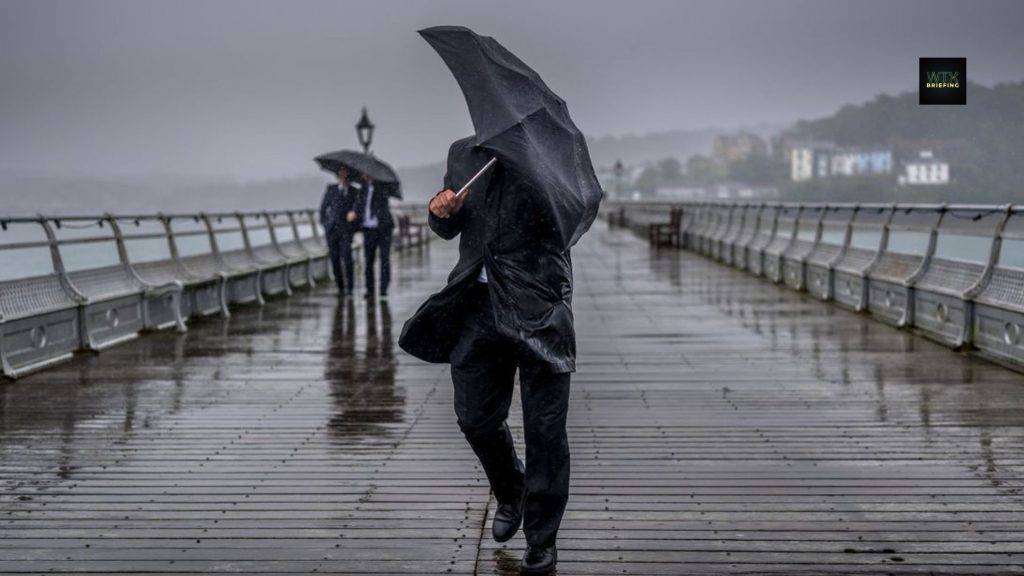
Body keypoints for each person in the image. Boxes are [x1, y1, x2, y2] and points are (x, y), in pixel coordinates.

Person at [399, 137, 576, 575]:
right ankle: (510, 489)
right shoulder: (464, 154)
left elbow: (570, 222)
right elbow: (450, 227)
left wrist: (533, 174)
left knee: (546, 434)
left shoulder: (551, 156)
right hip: (477, 306)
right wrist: (441, 211)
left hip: (539, 307)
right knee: (474, 417)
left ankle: (541, 542)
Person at [318, 168, 359, 297]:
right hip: (332, 231)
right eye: (341, 174)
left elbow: (359, 209)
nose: (343, 176)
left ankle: (350, 289)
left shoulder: (354, 192)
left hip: (346, 231)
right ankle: (340, 288)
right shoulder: (331, 189)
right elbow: (323, 209)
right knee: (334, 261)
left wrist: (354, 219)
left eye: (346, 174)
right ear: (338, 176)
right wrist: (325, 225)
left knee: (347, 259)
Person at [358, 176, 394, 301]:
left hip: (383, 229)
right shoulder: (362, 189)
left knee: (384, 259)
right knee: (368, 261)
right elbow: (359, 206)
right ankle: (370, 290)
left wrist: (377, 187)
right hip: (368, 229)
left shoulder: (382, 187)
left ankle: (383, 290)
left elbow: (384, 203)